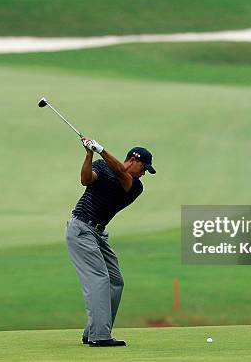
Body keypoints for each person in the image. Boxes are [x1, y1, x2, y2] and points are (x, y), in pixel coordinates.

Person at [65, 137, 156, 347]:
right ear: (134, 159)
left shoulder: (135, 186)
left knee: (116, 280)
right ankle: (100, 336)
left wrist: (101, 150)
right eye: (144, 167)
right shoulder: (101, 166)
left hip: (97, 233)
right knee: (99, 279)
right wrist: (89, 154)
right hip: (80, 229)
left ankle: (93, 330)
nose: (144, 173)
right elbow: (86, 180)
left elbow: (122, 174)